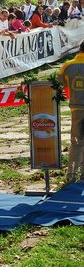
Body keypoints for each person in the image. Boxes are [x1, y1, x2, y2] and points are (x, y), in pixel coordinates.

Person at [58, 40, 84, 183]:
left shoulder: (68, 66)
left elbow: (58, 83)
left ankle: (72, 175)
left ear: (79, 49)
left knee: (76, 143)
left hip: (76, 108)